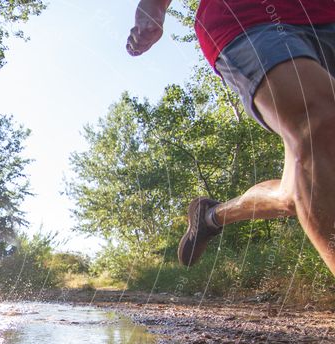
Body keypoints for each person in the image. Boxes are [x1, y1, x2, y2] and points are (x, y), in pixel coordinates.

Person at [127, 0, 335, 275]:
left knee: (299, 188)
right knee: (317, 120)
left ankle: (213, 216)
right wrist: (154, 6)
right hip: (249, 16)